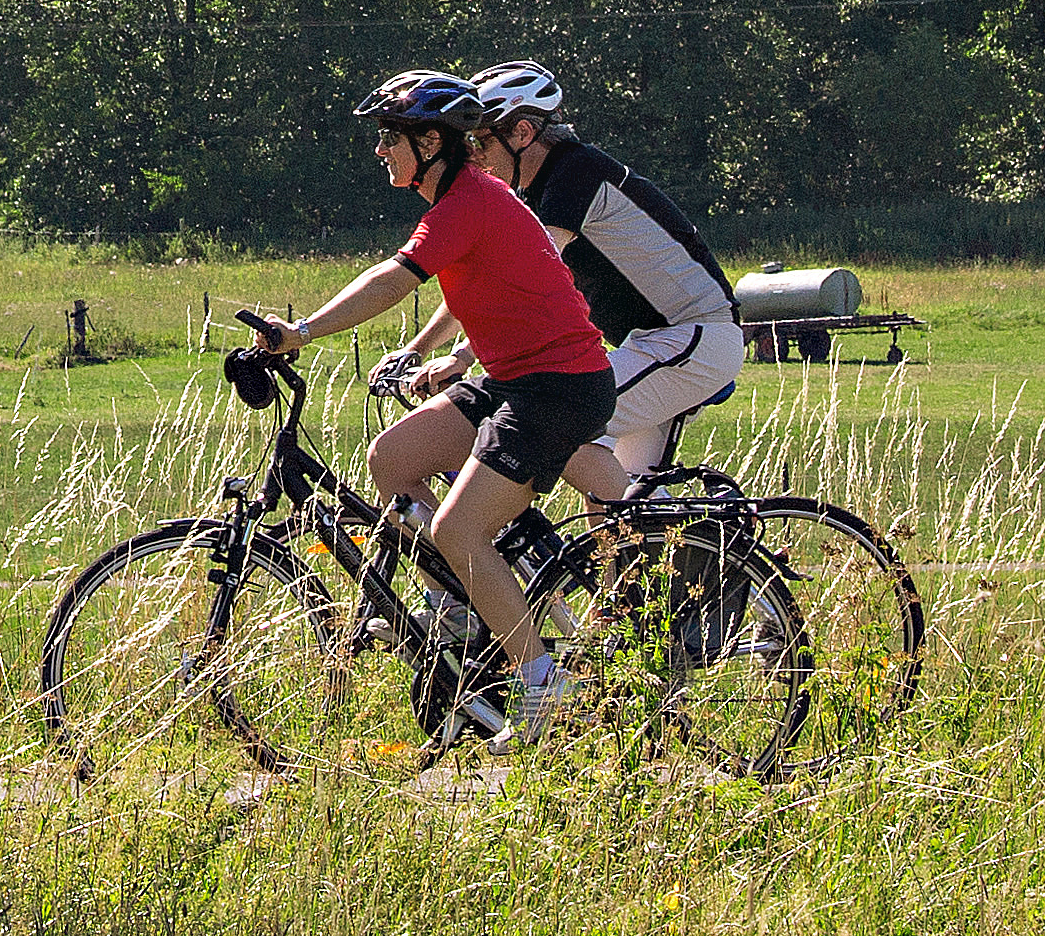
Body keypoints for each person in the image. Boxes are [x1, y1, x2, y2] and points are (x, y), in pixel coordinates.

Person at [244, 68, 617, 740]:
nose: (380, 151)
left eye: (390, 137)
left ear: (432, 142)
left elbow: (392, 279)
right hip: (514, 379)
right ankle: (465, 606)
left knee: (457, 531)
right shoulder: (467, 201)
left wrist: (299, 333)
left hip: (556, 386)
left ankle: (542, 685)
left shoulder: (467, 202)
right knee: (391, 459)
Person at [449, 62, 745, 509]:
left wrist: (463, 355)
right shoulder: (529, 192)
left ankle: (688, 550)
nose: (473, 155)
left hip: (692, 337)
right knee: (618, 495)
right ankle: (693, 564)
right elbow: (482, 277)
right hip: (651, 345)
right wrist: (421, 348)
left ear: (524, 133)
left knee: (565, 424)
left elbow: (526, 276)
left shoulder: (575, 173)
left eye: (482, 139)